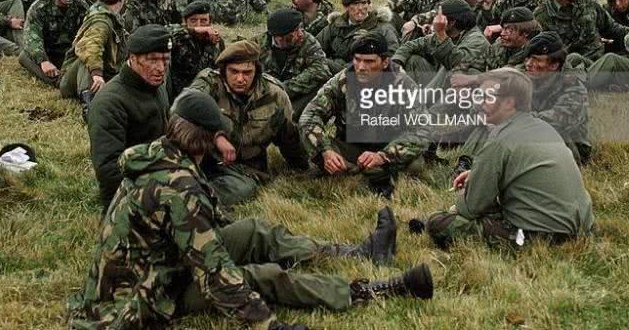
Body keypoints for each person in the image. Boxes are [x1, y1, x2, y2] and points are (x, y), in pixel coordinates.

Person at [68, 88, 434, 330]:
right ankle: (369, 291)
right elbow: (216, 275)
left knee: (253, 231)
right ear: (209, 138)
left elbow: (204, 226)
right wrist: (268, 324)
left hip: (158, 265)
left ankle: (356, 252)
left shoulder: (161, 154)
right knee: (262, 275)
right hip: (137, 298)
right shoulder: (178, 187)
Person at [424, 68, 594, 249]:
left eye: (487, 97)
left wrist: (462, 196)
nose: (479, 103)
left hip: (539, 237)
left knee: (438, 223)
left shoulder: (499, 139)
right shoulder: (544, 127)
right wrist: (478, 174)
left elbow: (470, 208)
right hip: (582, 229)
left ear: (509, 103)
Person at [300, 34, 433, 198]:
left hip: (388, 147)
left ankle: (358, 173)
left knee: (414, 164)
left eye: (369, 61)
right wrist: (326, 151)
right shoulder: (342, 81)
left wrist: (383, 156)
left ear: (384, 62)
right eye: (357, 60)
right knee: (315, 148)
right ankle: (363, 173)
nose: (361, 67)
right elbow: (309, 116)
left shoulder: (403, 85)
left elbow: (422, 130)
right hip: (353, 147)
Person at [189, 41, 309, 206]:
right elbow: (183, 108)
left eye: (247, 73)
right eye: (234, 71)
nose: (240, 79)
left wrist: (303, 167)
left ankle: (195, 200)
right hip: (204, 158)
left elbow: (289, 136)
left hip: (246, 167)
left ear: (257, 71)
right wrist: (216, 136)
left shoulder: (275, 95)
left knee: (243, 190)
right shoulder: (210, 83)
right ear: (223, 70)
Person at [88, 25, 172, 212]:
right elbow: (109, 170)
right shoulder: (110, 102)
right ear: (132, 58)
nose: (160, 68)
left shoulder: (155, 86)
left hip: (158, 169)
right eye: (152, 60)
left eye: (165, 60)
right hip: (128, 191)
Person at [533, 0, 629, 65]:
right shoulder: (542, 16)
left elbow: (612, 28)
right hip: (568, 71)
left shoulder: (589, 4)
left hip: (599, 65)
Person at [60, 0, 131, 112]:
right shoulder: (102, 21)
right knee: (87, 59)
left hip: (108, 72)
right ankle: (90, 103)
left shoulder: (106, 13)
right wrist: (96, 73)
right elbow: (90, 46)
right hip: (77, 79)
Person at [524, 32, 591, 165]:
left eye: (536, 59)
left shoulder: (574, 86)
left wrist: (516, 119)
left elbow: (559, 121)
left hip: (569, 145)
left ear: (553, 65)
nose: (528, 64)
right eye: (527, 58)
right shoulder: (531, 75)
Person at [257, 9, 331, 120]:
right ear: (280, 37)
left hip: (296, 93)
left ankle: (291, 116)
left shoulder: (308, 41)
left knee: (320, 85)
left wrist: (283, 89)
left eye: (301, 28)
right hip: (266, 95)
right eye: (295, 31)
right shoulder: (257, 45)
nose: (301, 33)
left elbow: (320, 70)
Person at [18, 0, 88, 87]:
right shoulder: (39, 7)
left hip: (70, 53)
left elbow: (87, 32)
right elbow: (32, 36)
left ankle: (66, 79)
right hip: (47, 51)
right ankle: (58, 81)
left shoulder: (80, 6)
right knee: (24, 56)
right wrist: (43, 61)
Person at [392, 0, 490, 79]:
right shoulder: (447, 34)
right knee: (413, 60)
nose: (435, 22)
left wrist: (441, 34)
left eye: (439, 19)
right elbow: (411, 45)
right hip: (440, 83)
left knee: (447, 69)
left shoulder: (477, 39)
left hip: (461, 88)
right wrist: (396, 63)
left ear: (452, 22)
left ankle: (422, 100)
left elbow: (456, 64)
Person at [317, 0, 399, 74]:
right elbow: (316, 46)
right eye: (355, 4)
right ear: (346, 7)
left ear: (369, 5)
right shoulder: (336, 25)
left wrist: (373, 44)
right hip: (330, 73)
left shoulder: (383, 28)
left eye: (364, 3)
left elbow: (393, 56)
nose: (360, 8)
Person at [168, 2, 225, 96]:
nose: (198, 24)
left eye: (203, 20)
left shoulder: (216, 41)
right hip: (179, 94)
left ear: (210, 22)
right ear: (185, 22)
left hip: (206, 92)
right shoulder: (179, 38)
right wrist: (194, 30)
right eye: (193, 20)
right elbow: (164, 32)